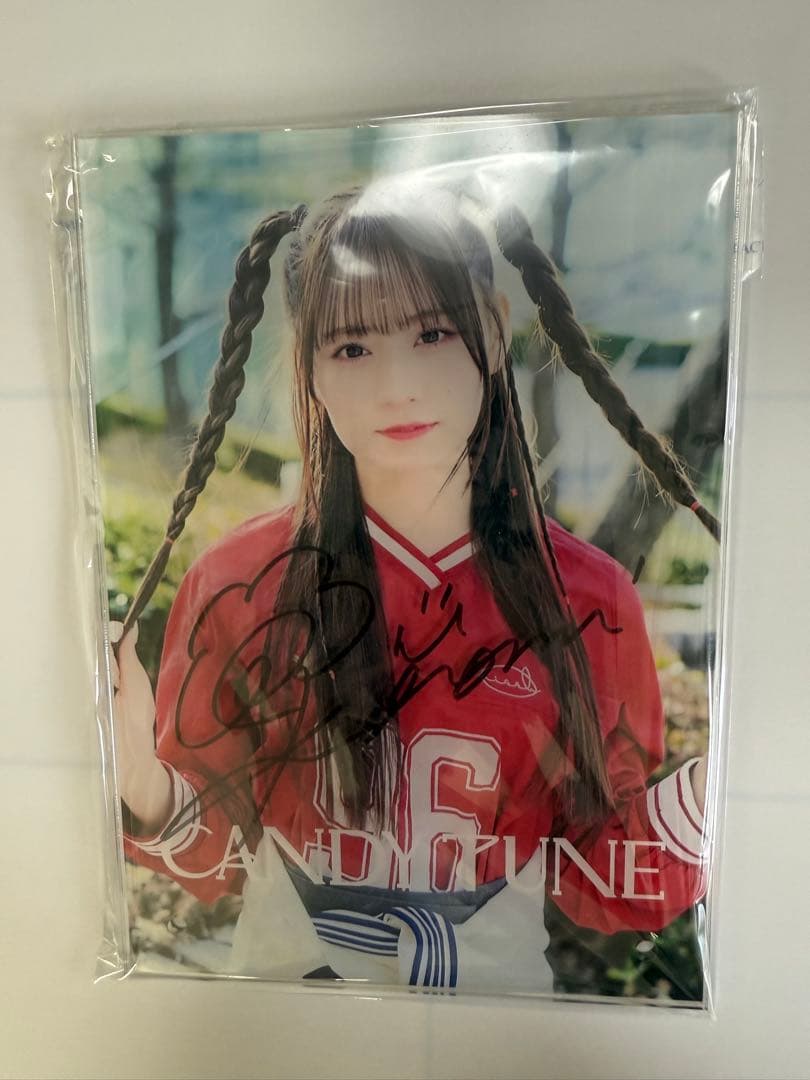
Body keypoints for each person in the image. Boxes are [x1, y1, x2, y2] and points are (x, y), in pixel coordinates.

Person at [111, 177, 712, 992]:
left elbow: (601, 883)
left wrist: (725, 784)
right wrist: (139, 776)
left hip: (500, 1033)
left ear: (493, 332)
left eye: (432, 333)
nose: (397, 384)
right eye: (351, 348)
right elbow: (213, 860)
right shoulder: (238, 582)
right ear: (308, 368)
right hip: (283, 1023)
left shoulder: (590, 600)